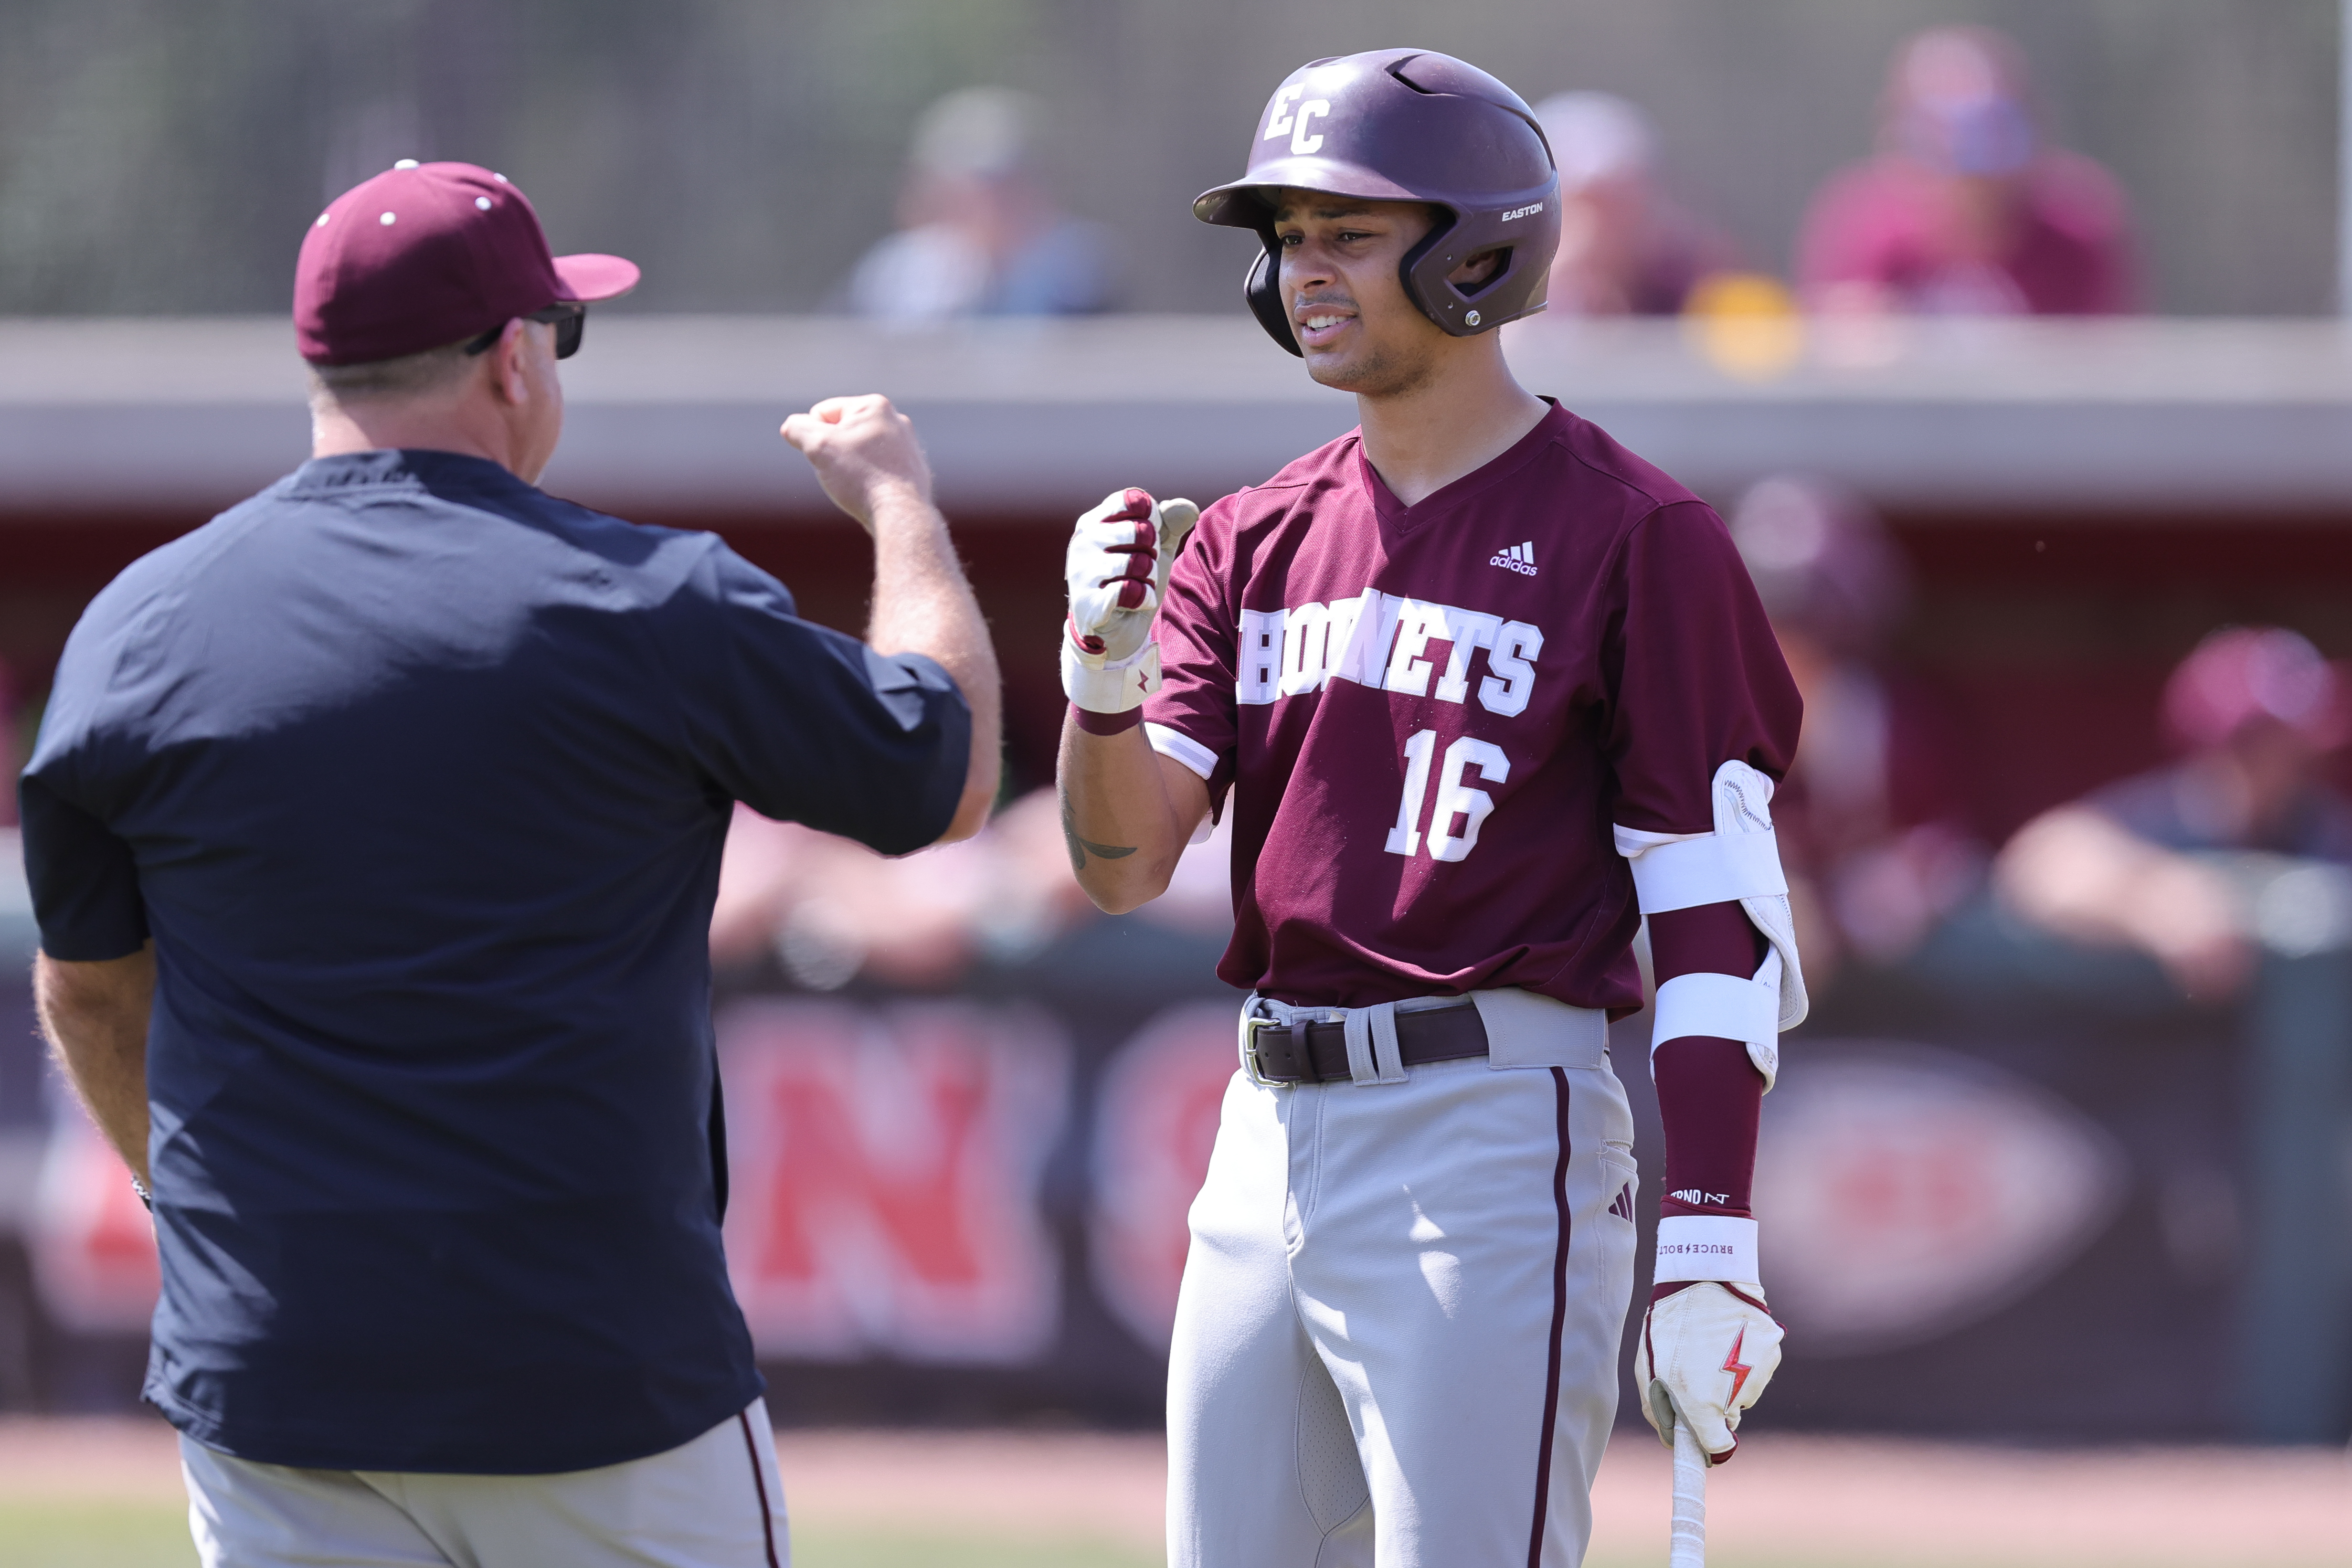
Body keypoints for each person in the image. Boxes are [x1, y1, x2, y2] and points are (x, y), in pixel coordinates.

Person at [17, 159, 998, 1568]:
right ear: (513, 358)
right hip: (598, 1380)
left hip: (278, 1374)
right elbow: (946, 776)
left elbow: (93, 990)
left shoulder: (137, 628)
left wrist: (195, 1211)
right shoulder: (650, 603)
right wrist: (899, 502)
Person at [1053, 51, 1803, 1568]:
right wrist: (1100, 680)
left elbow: (1710, 918)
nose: (1301, 270)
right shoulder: (1248, 536)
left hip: (1490, 1127)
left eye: (1346, 231)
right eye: (1286, 238)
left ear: (1476, 250)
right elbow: (1121, 862)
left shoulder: (1638, 534)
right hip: (1263, 1125)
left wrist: (1711, 1235)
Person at [1995, 626, 2352, 1000]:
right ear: (2230, 745)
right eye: (2272, 739)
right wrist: (2153, 900)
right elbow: (2039, 862)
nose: (2302, 754)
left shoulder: (2322, 825)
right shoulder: (2173, 817)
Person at [1727, 475, 1980, 982]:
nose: (1778, 649)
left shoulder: (1888, 730)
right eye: (1759, 621)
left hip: (1860, 974)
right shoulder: (1686, 723)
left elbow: (1944, 852)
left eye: (1805, 625)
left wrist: (1868, 894)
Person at [1797, 26, 2136, 317]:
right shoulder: (1867, 228)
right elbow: (1838, 346)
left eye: (1994, 131)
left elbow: (2105, 356)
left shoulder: (2075, 235)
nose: (1969, 169)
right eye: (1940, 135)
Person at [845, 86, 1115, 322]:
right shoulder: (896, 279)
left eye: (1007, 185)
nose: (992, 203)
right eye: (972, 186)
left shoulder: (1081, 279)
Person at [1532, 91, 1734, 317]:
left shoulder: (1697, 280)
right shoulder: (1514, 281)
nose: (1600, 228)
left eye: (1616, 202)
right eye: (1583, 206)